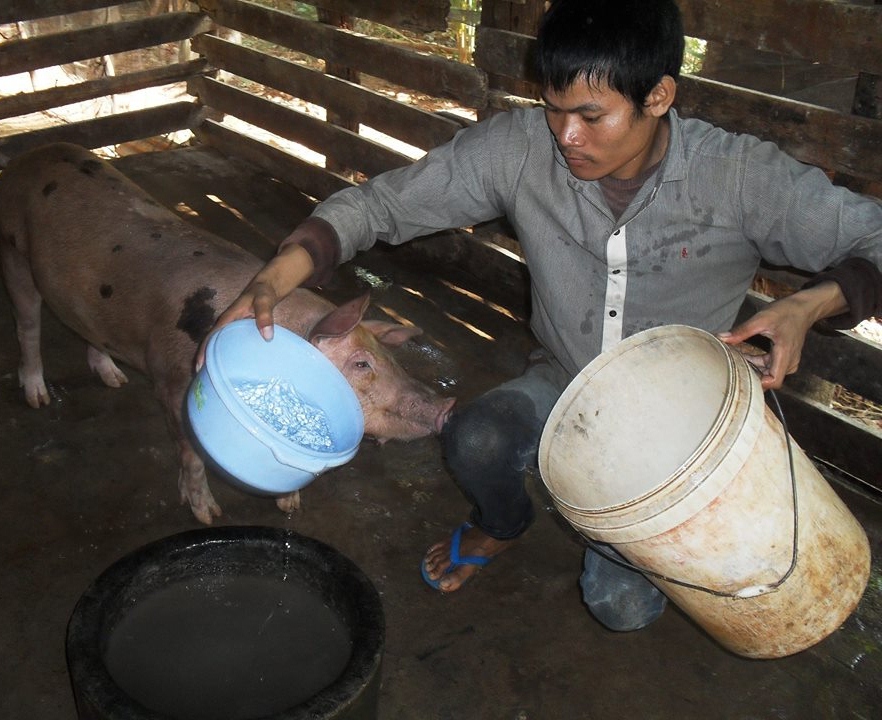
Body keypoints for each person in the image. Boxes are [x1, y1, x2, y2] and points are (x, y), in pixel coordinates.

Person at [202, 0, 882, 631]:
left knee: (618, 606)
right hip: (567, 376)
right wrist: (275, 276)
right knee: (474, 439)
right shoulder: (520, 148)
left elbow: (873, 236)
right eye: (553, 110)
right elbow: (381, 206)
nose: (567, 137)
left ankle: (630, 536)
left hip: (682, 416)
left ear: (660, 95)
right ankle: (501, 522)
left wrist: (814, 300)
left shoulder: (736, 177)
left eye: (591, 115)